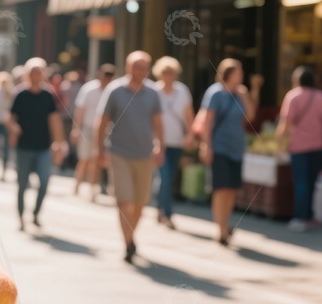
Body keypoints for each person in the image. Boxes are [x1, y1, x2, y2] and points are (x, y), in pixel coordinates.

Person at [97, 51, 164, 263]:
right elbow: (102, 121)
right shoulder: (115, 90)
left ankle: (131, 235)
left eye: (145, 68)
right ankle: (127, 242)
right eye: (137, 67)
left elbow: (158, 122)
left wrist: (160, 146)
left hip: (144, 154)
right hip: (119, 152)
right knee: (125, 200)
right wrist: (99, 150)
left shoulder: (153, 93)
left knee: (140, 202)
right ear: (128, 68)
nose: (141, 72)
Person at [200, 59, 255, 245]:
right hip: (219, 146)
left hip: (236, 147)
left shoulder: (240, 94)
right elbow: (207, 122)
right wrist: (206, 145)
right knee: (221, 188)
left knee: (231, 189)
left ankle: (226, 222)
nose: (241, 76)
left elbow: (250, 116)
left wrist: (246, 94)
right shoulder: (215, 93)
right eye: (238, 72)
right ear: (228, 74)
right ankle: (221, 229)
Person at [10, 57, 66, 230]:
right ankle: (21, 217)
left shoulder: (48, 95)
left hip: (43, 148)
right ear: (28, 74)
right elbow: (11, 118)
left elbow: (54, 120)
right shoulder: (20, 94)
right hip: (24, 147)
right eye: (34, 71)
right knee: (22, 184)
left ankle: (35, 214)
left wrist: (59, 143)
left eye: (40, 72)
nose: (37, 75)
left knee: (44, 182)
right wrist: (14, 128)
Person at [277, 66, 322, 231]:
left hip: (299, 147)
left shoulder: (293, 96)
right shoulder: (319, 97)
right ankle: (309, 215)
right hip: (318, 146)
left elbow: (285, 123)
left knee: (301, 182)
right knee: (311, 183)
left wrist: (279, 142)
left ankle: (301, 217)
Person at [153, 57, 194, 229]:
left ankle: (160, 209)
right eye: (165, 72)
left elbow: (188, 115)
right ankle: (166, 213)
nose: (169, 75)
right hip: (158, 142)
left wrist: (191, 134)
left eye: (172, 72)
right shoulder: (154, 91)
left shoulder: (182, 91)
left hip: (176, 141)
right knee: (165, 176)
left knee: (167, 178)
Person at [71, 64, 116, 199]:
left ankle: (92, 189)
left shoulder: (113, 91)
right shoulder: (89, 89)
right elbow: (80, 110)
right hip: (88, 128)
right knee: (84, 159)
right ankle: (77, 185)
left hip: (106, 130)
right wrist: (76, 129)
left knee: (97, 160)